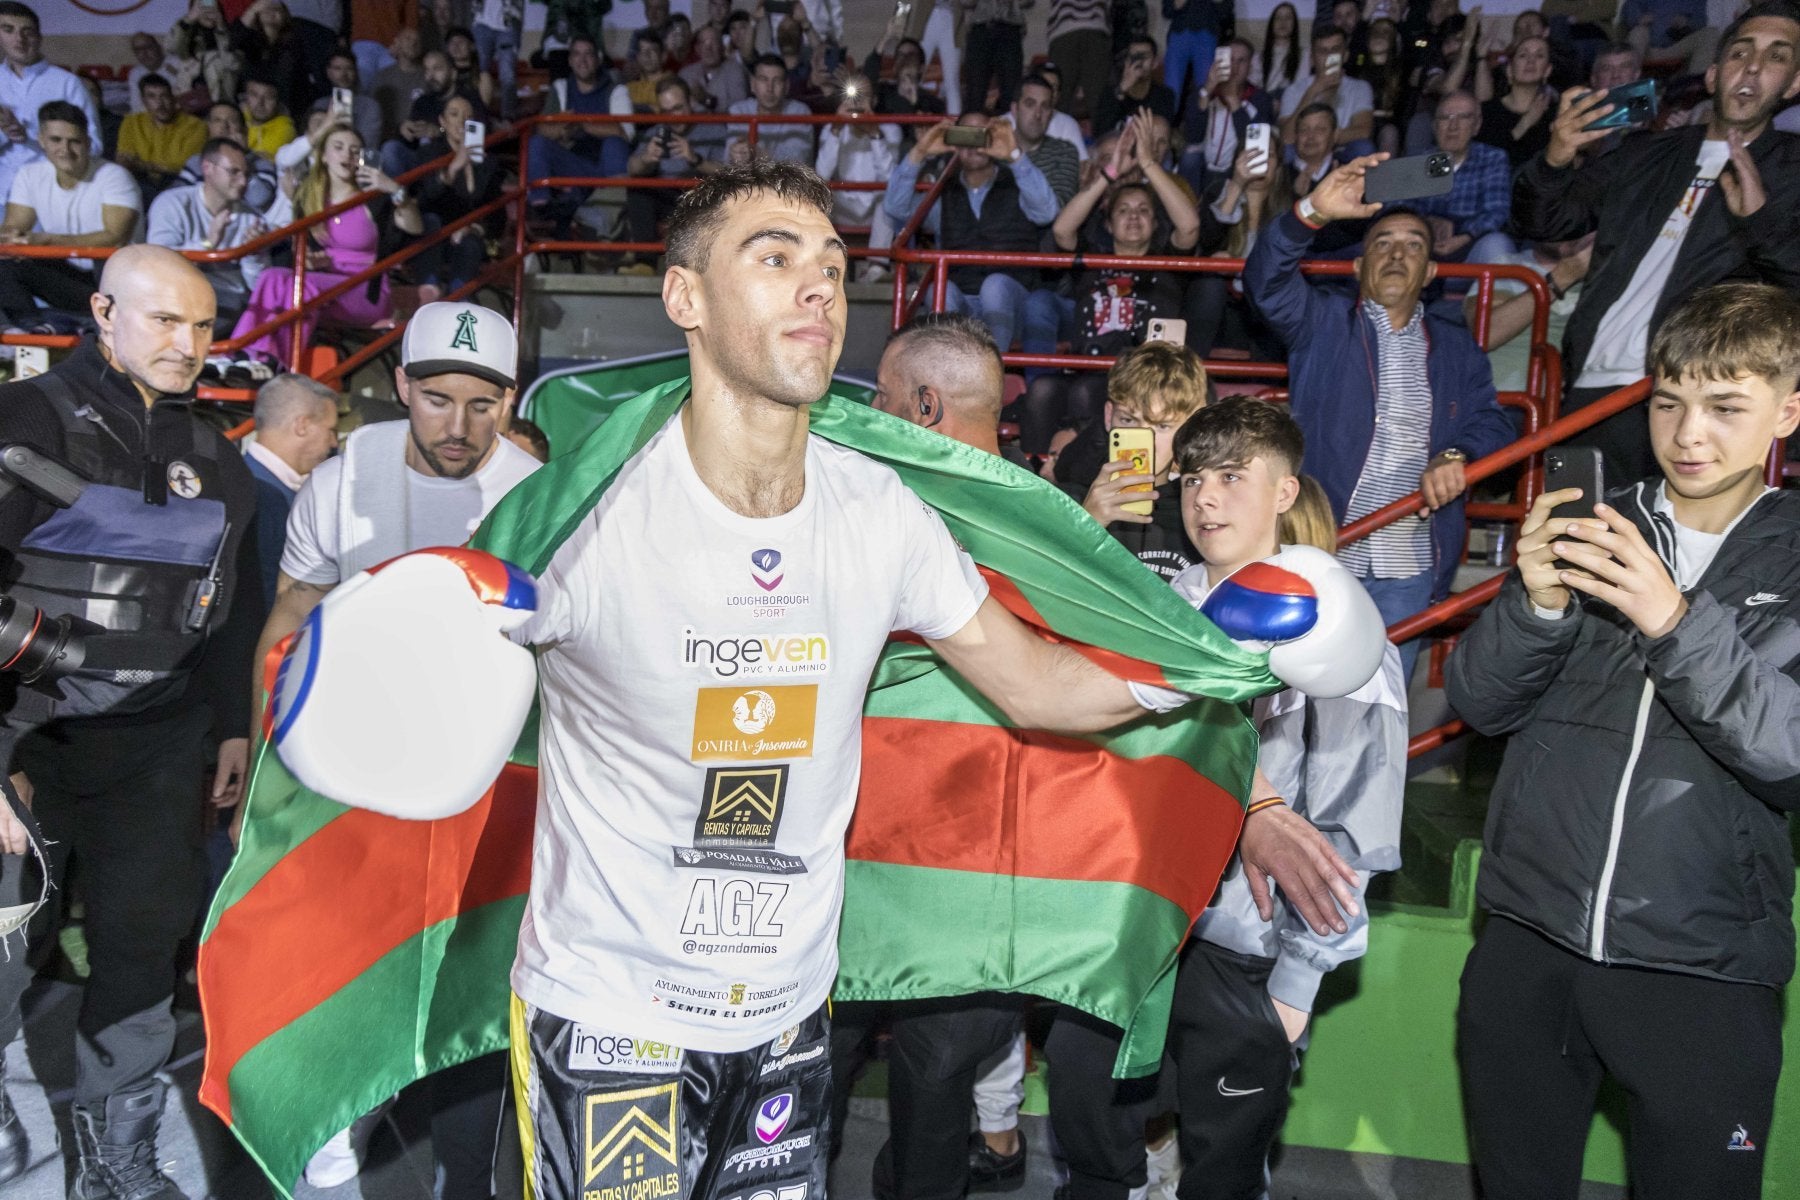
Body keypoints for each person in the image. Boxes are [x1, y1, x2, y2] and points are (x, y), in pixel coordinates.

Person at [463, 155, 1358, 1200]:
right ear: (684, 297)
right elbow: (447, 715)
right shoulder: (582, 511)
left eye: (836, 269)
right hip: (614, 1019)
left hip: (788, 1020)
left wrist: (1207, 660)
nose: (817, 288)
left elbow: (1037, 688)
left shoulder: (880, 511)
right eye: (775, 257)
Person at [1446, 281, 1800, 1200]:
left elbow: (1791, 753)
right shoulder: (1600, 521)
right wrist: (1537, 604)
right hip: (1529, 939)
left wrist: (1674, 621)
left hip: (1702, 965)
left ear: (1787, 411)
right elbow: (1479, 702)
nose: (1690, 433)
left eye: (1727, 407)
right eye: (1670, 401)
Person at [1047, 396, 1405, 1200]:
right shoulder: (1156, 612)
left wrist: (1295, 994)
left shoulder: (1337, 627)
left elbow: (1355, 830)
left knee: (1224, 1177)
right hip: (1129, 932)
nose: (1206, 498)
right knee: (1088, 1121)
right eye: (1193, 478)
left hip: (1249, 955)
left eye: (1233, 477)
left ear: (1284, 491)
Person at [253, 301, 539, 1195]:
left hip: (483, 759)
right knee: (352, 953)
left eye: (484, 406)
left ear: (510, 398)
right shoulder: (344, 477)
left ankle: (465, 1173)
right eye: (438, 400)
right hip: (358, 747)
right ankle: (348, 1108)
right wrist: (260, 746)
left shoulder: (534, 489)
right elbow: (293, 609)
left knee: (471, 974)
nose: (461, 428)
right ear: (401, 387)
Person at [0, 244, 264, 1200]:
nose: (189, 343)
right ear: (104, 313)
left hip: (156, 744)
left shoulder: (216, 458)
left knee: (141, 952)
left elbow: (231, 609)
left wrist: (230, 724)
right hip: (24, 743)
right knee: (4, 944)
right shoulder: (20, 418)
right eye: (165, 320)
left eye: (202, 326)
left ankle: (114, 1163)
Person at [833, 314, 1029, 1200]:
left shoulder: (853, 512)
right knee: (930, 1093)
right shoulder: (1058, 536)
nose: (869, 412)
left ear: (920, 407)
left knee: (808, 1085)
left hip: (865, 869)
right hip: (963, 886)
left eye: (879, 396)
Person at [1245, 154, 1514, 678]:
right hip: (1324, 550)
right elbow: (1265, 282)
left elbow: (1494, 421)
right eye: (1382, 244)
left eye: (1414, 246)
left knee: (1382, 716)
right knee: (1297, 705)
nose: (1396, 255)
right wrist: (1311, 213)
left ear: (1432, 272)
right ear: (1357, 264)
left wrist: (1456, 454)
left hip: (1410, 564)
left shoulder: (1456, 348)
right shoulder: (1322, 323)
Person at [1513, 1, 1800, 483]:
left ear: (1793, 85)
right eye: (1740, 53)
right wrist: (1556, 156)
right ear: (1712, 76)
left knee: (1673, 554)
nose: (1752, 67)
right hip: (1595, 388)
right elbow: (1545, 220)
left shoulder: (1792, 170)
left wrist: (1760, 221)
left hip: (1701, 403)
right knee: (1572, 546)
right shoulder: (1645, 152)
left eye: (1776, 57)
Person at [1022, 123, 1200, 454]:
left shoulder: (1167, 261)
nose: (1133, 217)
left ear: (1156, 223)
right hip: (1090, 365)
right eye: (1123, 210)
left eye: (1143, 211)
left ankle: (1086, 479)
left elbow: (1189, 226)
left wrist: (1148, 165)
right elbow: (1062, 230)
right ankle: (1037, 478)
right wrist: (1111, 171)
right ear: (1108, 223)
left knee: (1087, 392)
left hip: (1145, 376)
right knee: (1042, 390)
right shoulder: (1094, 260)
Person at [226, 123, 421, 374]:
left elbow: (415, 227)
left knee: (302, 288)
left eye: (354, 150)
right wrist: (312, 261)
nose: (347, 156)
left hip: (364, 291)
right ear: (324, 156)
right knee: (272, 276)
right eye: (338, 148)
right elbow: (304, 252)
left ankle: (275, 363)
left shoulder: (373, 198)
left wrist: (395, 189)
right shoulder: (311, 198)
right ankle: (243, 355)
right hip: (322, 285)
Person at [883, 113, 1060, 360]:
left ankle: (992, 373)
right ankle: (948, 375)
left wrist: (1014, 155)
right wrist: (919, 153)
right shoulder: (945, 191)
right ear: (954, 141)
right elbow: (894, 208)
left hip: (1013, 302)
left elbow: (1046, 212)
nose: (974, 145)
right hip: (963, 302)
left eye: (981, 136)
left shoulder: (1015, 181)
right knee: (938, 290)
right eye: (965, 135)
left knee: (995, 286)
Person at [1052, 340, 1210, 582]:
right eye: (1128, 420)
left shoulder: (1203, 504)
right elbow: (1045, 589)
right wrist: (1087, 524)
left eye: (1162, 425)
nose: (1144, 440)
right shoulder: (1070, 500)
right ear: (1108, 417)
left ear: (1190, 427)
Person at [0, 102, 140, 328]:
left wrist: (46, 240)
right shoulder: (29, 174)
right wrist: (15, 239)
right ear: (41, 140)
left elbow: (115, 238)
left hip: (118, 282)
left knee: (107, 259)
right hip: (69, 276)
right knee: (5, 262)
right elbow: (12, 230)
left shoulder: (114, 176)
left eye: (74, 141)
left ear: (88, 142)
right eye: (56, 140)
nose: (65, 149)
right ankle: (28, 335)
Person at [147, 137, 269, 328]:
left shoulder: (252, 218)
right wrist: (208, 243)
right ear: (207, 168)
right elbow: (158, 265)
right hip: (176, 293)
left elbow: (257, 286)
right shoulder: (172, 203)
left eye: (246, 174)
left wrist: (254, 253)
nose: (243, 181)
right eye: (234, 172)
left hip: (227, 299)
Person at [245, 372, 340, 605]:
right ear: (302, 425)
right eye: (331, 430)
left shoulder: (243, 478)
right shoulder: (261, 496)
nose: (334, 443)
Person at [622, 76, 726, 275]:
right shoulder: (656, 130)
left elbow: (727, 173)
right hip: (666, 194)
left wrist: (696, 160)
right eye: (666, 112)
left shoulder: (713, 129)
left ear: (690, 103)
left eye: (678, 108)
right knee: (637, 187)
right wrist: (647, 158)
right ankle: (645, 263)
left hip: (699, 194)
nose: (673, 117)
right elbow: (631, 168)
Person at [0, 2, 101, 205]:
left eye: (27, 31)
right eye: (8, 30)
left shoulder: (66, 83)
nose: (19, 39)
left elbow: (94, 145)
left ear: (39, 38)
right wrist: (5, 133)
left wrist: (31, 138)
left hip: (51, 198)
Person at [413, 92, 504, 295]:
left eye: (468, 116)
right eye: (454, 114)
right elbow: (427, 198)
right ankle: (429, 289)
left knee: (470, 243)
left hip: (467, 239)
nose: (462, 121)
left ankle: (459, 296)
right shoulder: (429, 154)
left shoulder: (488, 163)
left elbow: (498, 213)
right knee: (430, 222)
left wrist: (474, 228)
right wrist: (453, 169)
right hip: (436, 235)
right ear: (443, 121)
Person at [1410, 89, 1513, 262]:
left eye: (1463, 117)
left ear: (1477, 125)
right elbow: (1397, 207)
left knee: (1498, 244)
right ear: (1435, 126)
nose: (1453, 126)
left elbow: (1497, 212)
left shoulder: (1492, 158)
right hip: (1419, 248)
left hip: (1468, 247)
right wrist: (1428, 222)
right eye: (1445, 118)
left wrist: (1463, 234)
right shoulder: (1419, 160)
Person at [814, 76, 901, 282]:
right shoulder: (831, 129)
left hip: (876, 210)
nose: (856, 102)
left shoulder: (891, 129)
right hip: (843, 207)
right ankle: (825, 266)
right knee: (816, 197)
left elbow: (890, 179)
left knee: (889, 197)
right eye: (852, 95)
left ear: (875, 100)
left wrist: (875, 135)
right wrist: (836, 128)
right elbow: (821, 176)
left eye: (864, 96)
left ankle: (877, 268)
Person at [1177, 36, 1275, 196]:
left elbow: (1255, 146)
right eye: (1230, 60)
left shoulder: (1260, 99)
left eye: (1241, 61)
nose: (1234, 66)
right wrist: (1206, 92)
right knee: (1190, 156)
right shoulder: (1204, 92)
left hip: (1236, 169)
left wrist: (1234, 102)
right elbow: (1193, 136)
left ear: (1250, 66)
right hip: (1204, 166)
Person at [1278, 24, 1376, 156]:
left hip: (1341, 149)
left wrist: (1324, 140)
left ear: (1345, 55)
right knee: (1287, 152)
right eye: (1323, 51)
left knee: (1363, 148)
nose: (1329, 56)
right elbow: (1287, 138)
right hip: (1306, 151)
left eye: (1335, 49)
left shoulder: (1360, 87)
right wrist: (1313, 91)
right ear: (1312, 59)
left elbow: (1363, 131)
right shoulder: (1293, 90)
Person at [116, 74, 209, 197]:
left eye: (164, 96)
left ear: (173, 98)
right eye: (152, 97)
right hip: (141, 185)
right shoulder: (132, 122)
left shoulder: (195, 126)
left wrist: (144, 165)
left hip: (179, 186)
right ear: (144, 101)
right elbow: (125, 159)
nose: (160, 103)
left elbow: (184, 166)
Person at [176, 102, 278, 213]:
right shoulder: (196, 162)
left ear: (244, 130)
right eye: (217, 120)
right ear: (208, 127)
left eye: (232, 121)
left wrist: (241, 160)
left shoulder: (261, 163)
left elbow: (260, 200)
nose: (224, 126)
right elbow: (177, 198)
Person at [1000, 72, 1080, 205]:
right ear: (1015, 109)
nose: (1038, 114)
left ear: (1051, 113)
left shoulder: (1064, 152)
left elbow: (1058, 207)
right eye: (1030, 104)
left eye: (1045, 106)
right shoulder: (996, 150)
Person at [1477, 34, 1556, 168]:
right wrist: (1525, 123)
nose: (1531, 60)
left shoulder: (1555, 113)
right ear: (1509, 70)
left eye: (1539, 56)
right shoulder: (1487, 112)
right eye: (1523, 55)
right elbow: (1485, 162)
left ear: (1547, 71)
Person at [381, 50, 459, 178]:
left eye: (437, 69)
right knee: (389, 149)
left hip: (451, 158)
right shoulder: (423, 101)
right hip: (421, 160)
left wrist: (439, 131)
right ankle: (398, 196)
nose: (431, 76)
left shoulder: (466, 100)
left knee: (429, 146)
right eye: (427, 70)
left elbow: (475, 134)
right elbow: (411, 140)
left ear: (453, 73)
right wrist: (404, 129)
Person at [727, 54, 814, 164]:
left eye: (777, 81)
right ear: (752, 84)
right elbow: (728, 158)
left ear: (786, 86)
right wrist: (736, 154)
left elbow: (798, 160)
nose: (770, 88)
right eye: (763, 80)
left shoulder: (801, 112)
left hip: (787, 181)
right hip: (749, 180)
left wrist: (756, 153)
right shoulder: (739, 110)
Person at [1094, 35, 1178, 135]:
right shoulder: (1110, 93)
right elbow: (1100, 134)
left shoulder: (1165, 95)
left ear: (1155, 63)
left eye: (1144, 57)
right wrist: (1121, 90)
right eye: (1134, 57)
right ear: (1126, 61)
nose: (1139, 62)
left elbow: (1162, 135)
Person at [962, 0, 1032, 115]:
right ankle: (971, 129)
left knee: (1011, 93)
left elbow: (1027, 2)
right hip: (980, 28)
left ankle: (1008, 131)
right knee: (974, 94)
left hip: (1010, 29)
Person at [1161, 0, 1230, 115]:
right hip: (1179, 32)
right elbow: (1167, 11)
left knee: (1206, 85)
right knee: (1171, 87)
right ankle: (1164, 127)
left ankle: (1202, 126)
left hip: (1207, 33)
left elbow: (1225, 10)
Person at [1048, 0, 1111, 120]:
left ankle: (1104, 136)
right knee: (1059, 97)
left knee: (1098, 101)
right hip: (1079, 26)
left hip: (1070, 26)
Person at [371, 27, 427, 143]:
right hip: (392, 138)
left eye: (417, 40)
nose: (413, 43)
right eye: (408, 39)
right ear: (397, 43)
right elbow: (375, 116)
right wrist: (397, 129)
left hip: (423, 137)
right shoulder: (383, 77)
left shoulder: (427, 76)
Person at [470, 0, 523, 121]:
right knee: (479, 72)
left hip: (508, 22)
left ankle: (508, 118)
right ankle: (476, 116)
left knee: (507, 74)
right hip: (481, 21)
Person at [682, 21, 751, 112]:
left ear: (722, 47)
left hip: (725, 125)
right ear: (697, 49)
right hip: (693, 125)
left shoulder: (735, 70)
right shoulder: (686, 74)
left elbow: (739, 108)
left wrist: (706, 99)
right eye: (704, 43)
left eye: (714, 42)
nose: (709, 49)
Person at [322, 49, 383, 150]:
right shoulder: (320, 105)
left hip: (359, 159)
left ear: (355, 72)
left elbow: (370, 147)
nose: (343, 74)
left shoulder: (370, 106)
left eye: (349, 68)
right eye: (338, 68)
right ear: (329, 72)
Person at [1252, 2, 1309, 100]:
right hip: (1267, 104)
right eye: (1278, 18)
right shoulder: (1258, 57)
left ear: (1294, 24)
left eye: (1288, 18)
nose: (1283, 22)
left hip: (1293, 102)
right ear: (1272, 24)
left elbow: (1301, 86)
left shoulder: (1305, 55)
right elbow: (1254, 87)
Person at [239, 72, 296, 160]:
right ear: (245, 97)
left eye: (268, 97)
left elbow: (265, 163)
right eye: (254, 95)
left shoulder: (285, 130)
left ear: (278, 102)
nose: (260, 103)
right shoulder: (237, 117)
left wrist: (242, 148)